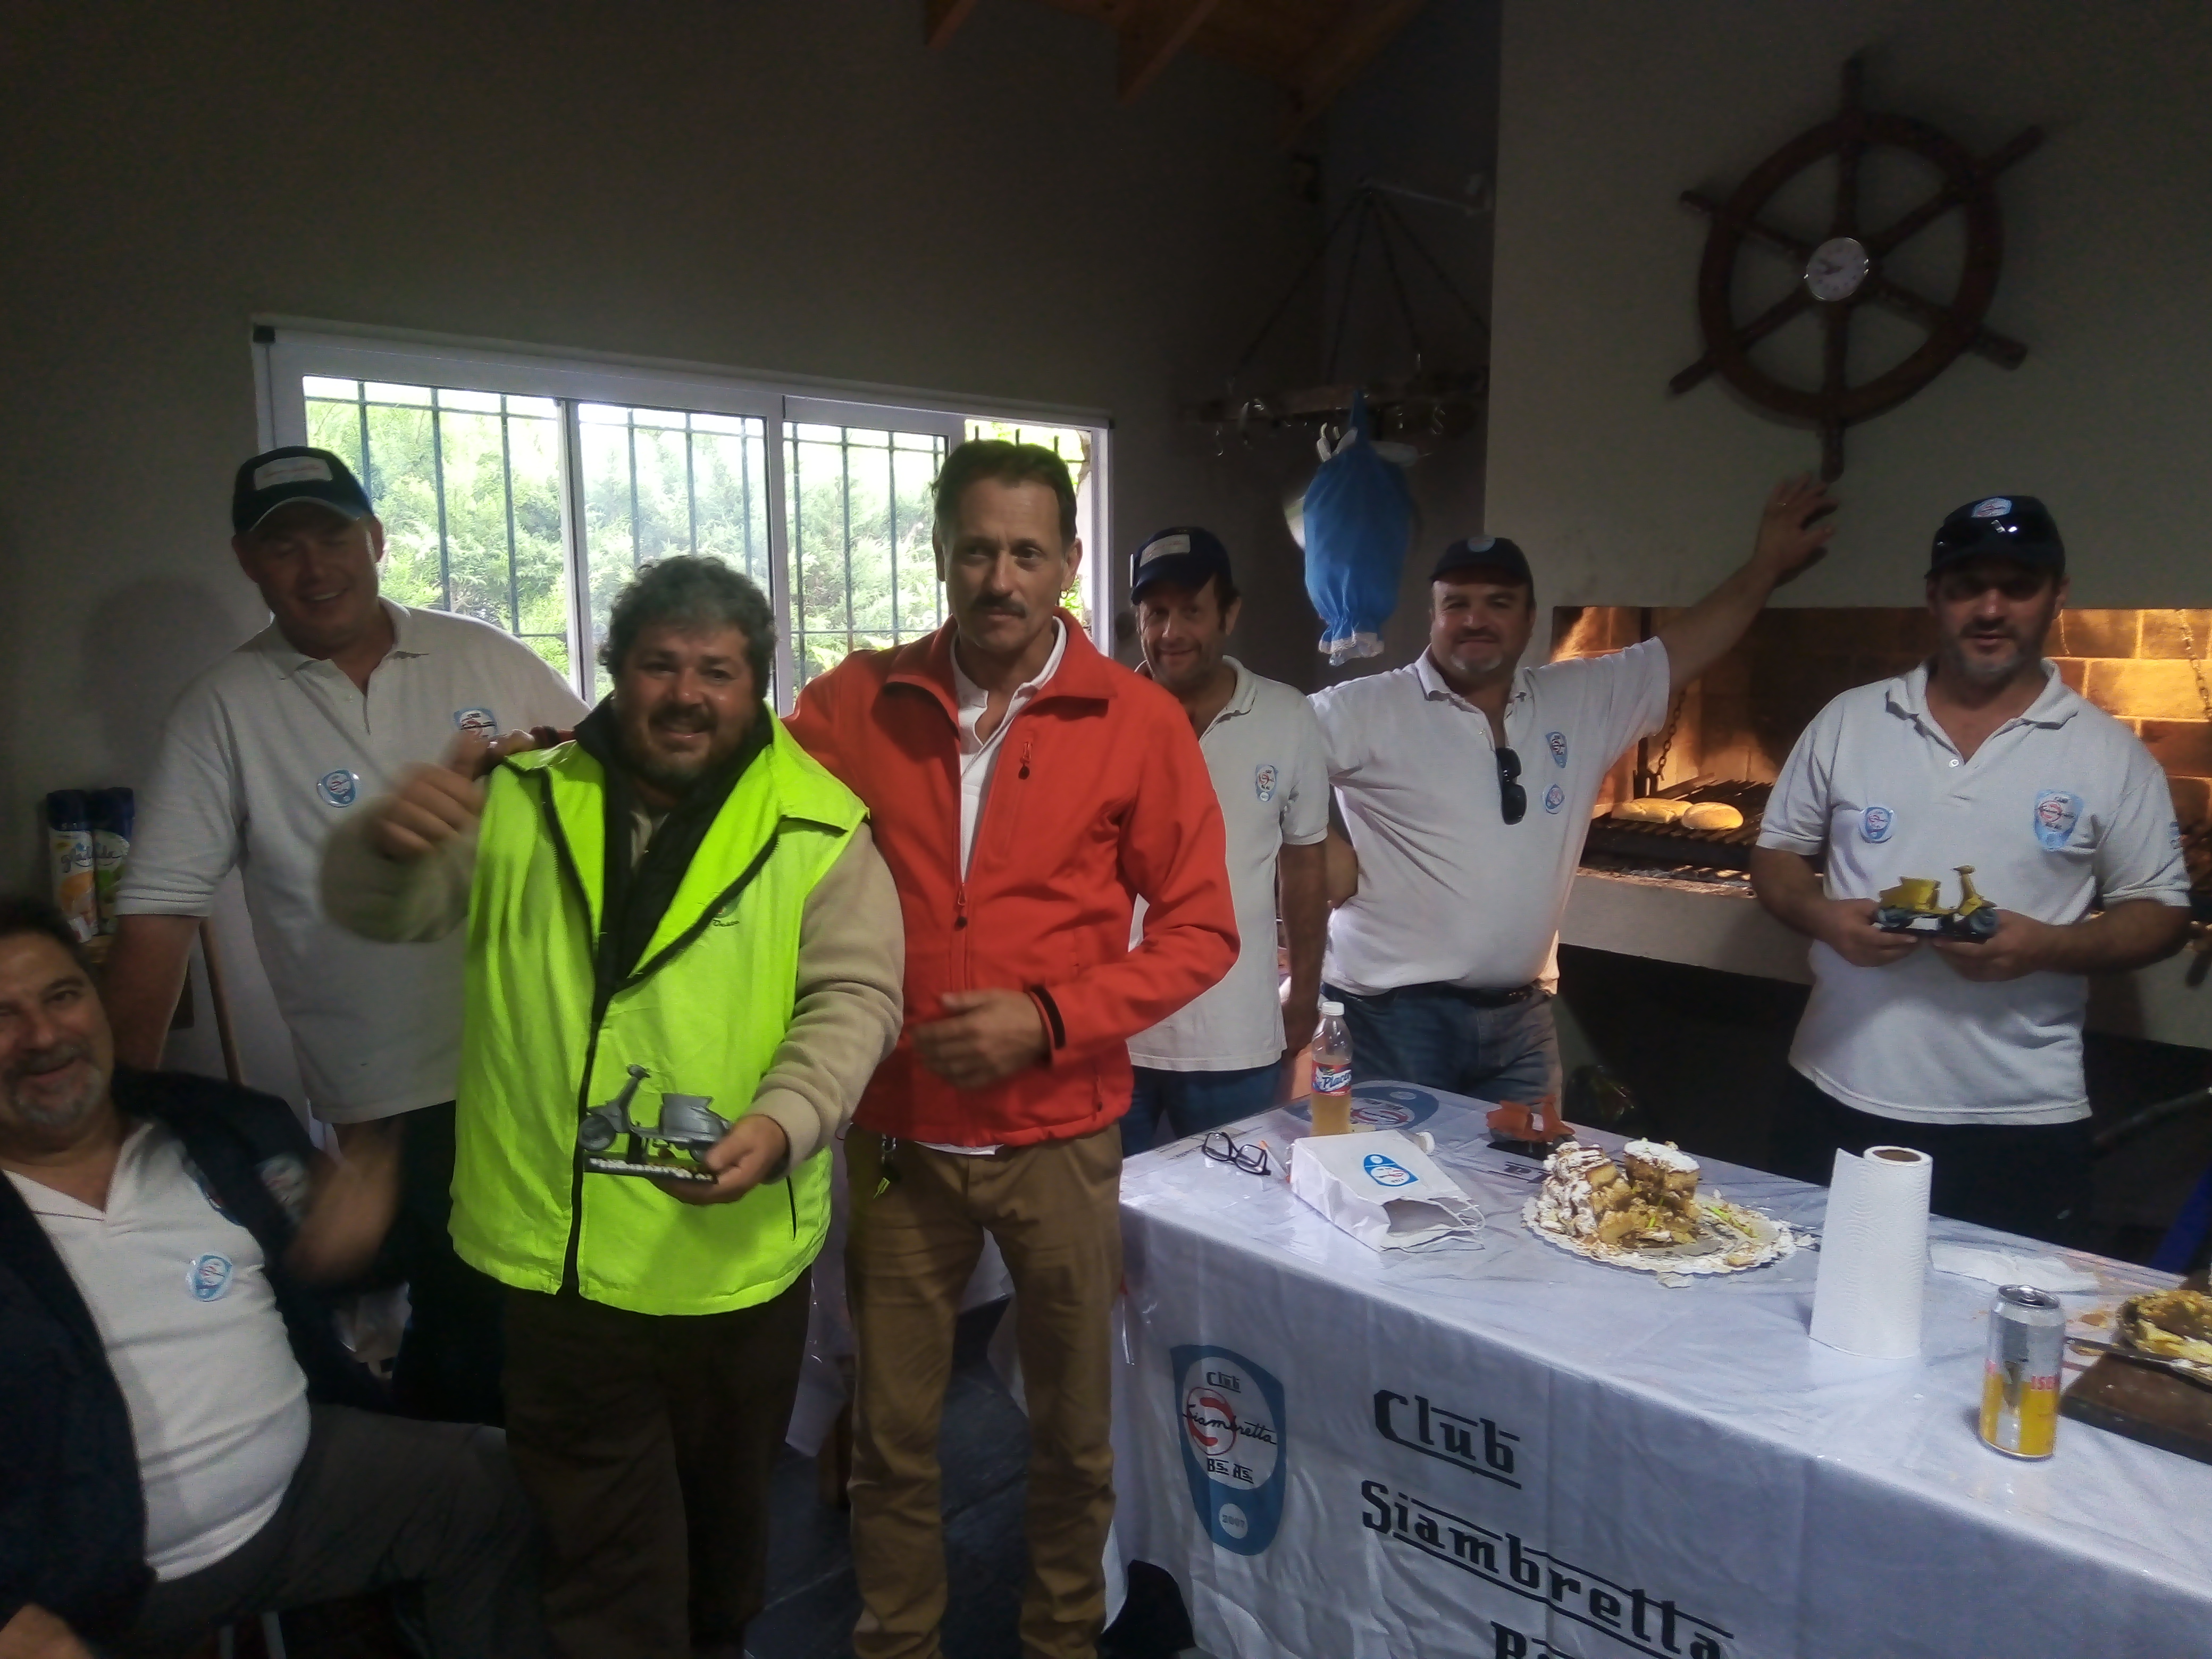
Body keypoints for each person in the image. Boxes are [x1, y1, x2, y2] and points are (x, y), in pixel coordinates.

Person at [320, 555, 903, 1658]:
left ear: (758, 684)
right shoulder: (518, 797)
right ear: (614, 671)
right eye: (659, 665)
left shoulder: (821, 825)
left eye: (717, 672)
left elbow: (856, 1000)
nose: (686, 694)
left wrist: (785, 1118)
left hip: (729, 1264)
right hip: (558, 1265)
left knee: (724, 1549)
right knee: (599, 1564)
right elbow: (386, 909)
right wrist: (390, 845)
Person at [786, 440, 1236, 1659]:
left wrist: (1046, 1016)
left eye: (1027, 552)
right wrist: (570, 754)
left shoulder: (1136, 721)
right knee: (892, 1441)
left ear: (1069, 563)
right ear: (940, 553)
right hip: (898, 1137)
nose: (1001, 578)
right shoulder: (853, 703)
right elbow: (730, 793)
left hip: (1064, 1138)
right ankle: (898, 1643)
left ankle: (1061, 1640)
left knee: (1073, 1438)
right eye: (977, 550)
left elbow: (1202, 932)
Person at [102, 445, 588, 1425]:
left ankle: (528, 1489)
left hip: (535, 1056)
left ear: (375, 538)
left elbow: (607, 796)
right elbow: (158, 913)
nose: (315, 566)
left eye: (333, 536)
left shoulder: (483, 655)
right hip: (388, 1093)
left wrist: (544, 768)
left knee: (556, 1317)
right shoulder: (221, 709)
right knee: (462, 1331)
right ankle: (454, 1496)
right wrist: (115, 1120)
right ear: (247, 560)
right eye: (283, 545)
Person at [0, 897, 544, 1659]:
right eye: (4, 1016)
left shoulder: (215, 1128)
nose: (43, 1035)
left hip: (299, 1488)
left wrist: (353, 1241)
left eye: (63, 996)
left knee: (498, 1488)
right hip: (87, 1577)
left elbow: (337, 1262)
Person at [1750, 496, 2190, 1242]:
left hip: (2016, 1121)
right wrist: (1824, 916)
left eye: (2017, 587)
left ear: (2056, 595)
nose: (1990, 609)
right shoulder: (1850, 721)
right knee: (1803, 1293)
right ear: (1934, 597)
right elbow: (1775, 855)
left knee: (1999, 1317)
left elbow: (2161, 912)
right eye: (1966, 587)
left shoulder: (2108, 753)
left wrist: (2045, 946)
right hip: (1834, 1090)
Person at [1311, 479, 1839, 1099]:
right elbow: (1251, 767)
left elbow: (1685, 645)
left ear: (1529, 618)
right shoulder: (1362, 708)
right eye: (1455, 604)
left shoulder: (1578, 698)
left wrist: (1766, 565)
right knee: (1393, 1165)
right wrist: (1316, 848)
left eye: (1498, 602)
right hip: (1394, 1018)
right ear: (1432, 617)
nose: (1474, 620)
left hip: (1522, 1019)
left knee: (1535, 1163)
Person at [1122, 525, 1329, 1150]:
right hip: (1113, 1033)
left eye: (1191, 611)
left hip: (1237, 1039)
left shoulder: (1286, 715)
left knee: (1236, 1202)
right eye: (1155, 613)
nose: (1170, 632)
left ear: (1228, 614)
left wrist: (1304, 996)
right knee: (1106, 1208)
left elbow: (1305, 866)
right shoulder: (1104, 715)